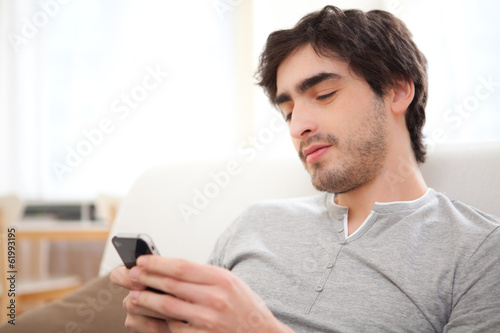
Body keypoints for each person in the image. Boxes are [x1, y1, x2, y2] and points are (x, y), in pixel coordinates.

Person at [110, 5, 500, 332]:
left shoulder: (479, 252)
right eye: (288, 111)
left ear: (398, 90)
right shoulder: (254, 223)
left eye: (324, 95)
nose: (298, 127)